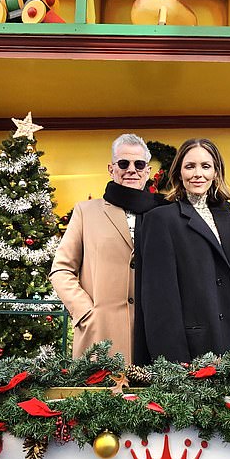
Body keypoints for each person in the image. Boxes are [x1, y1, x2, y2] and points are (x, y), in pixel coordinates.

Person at [138, 138, 230, 363]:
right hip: (192, 349)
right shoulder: (161, 219)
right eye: (190, 166)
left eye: (205, 166)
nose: (198, 173)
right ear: (179, 172)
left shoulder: (229, 223)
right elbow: (159, 299)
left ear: (216, 172)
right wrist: (173, 362)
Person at [50, 133, 164, 363]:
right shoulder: (86, 212)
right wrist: (85, 312)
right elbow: (61, 270)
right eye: (123, 163)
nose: (131, 169)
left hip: (155, 336)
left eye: (139, 164)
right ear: (111, 169)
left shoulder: (163, 213)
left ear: (147, 172)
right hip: (99, 336)